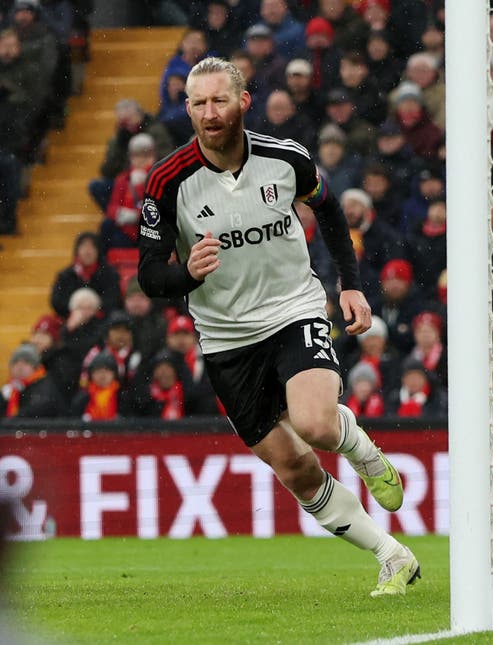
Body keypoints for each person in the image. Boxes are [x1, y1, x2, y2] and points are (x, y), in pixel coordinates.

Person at [136, 57, 418, 596]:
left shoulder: (285, 158)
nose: (209, 113)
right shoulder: (167, 182)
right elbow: (149, 275)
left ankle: (361, 451)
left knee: (314, 423)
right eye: (198, 103)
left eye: (219, 100)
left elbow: (329, 210)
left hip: (293, 309)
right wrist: (185, 274)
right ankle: (392, 555)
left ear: (244, 102)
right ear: (187, 109)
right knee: (295, 468)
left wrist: (350, 284)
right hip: (225, 338)